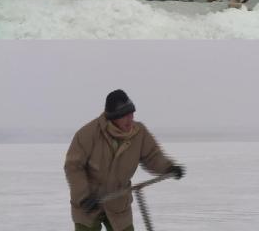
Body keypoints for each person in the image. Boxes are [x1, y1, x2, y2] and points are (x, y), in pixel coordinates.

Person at [64, 89, 185, 231]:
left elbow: (152, 156)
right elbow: (73, 166)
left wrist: (169, 167)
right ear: (112, 117)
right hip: (88, 204)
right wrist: (83, 196)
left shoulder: (139, 133)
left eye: (131, 113)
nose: (130, 119)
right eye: (124, 116)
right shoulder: (88, 134)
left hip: (118, 202)